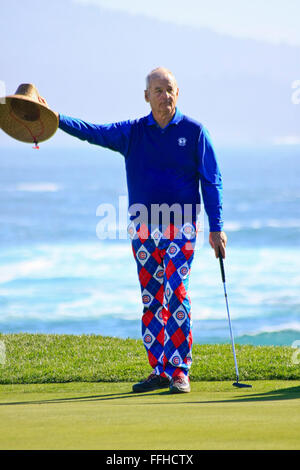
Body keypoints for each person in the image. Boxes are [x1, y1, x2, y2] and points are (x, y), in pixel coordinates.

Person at [55, 67, 227, 394]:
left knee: (175, 293)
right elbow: (92, 131)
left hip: (183, 225)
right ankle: (159, 370)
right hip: (144, 229)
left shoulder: (194, 132)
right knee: (152, 299)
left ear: (179, 92)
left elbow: (211, 180)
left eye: (170, 89)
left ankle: (179, 370)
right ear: (147, 96)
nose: (165, 96)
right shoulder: (132, 133)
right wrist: (57, 118)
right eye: (158, 90)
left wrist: (216, 227)